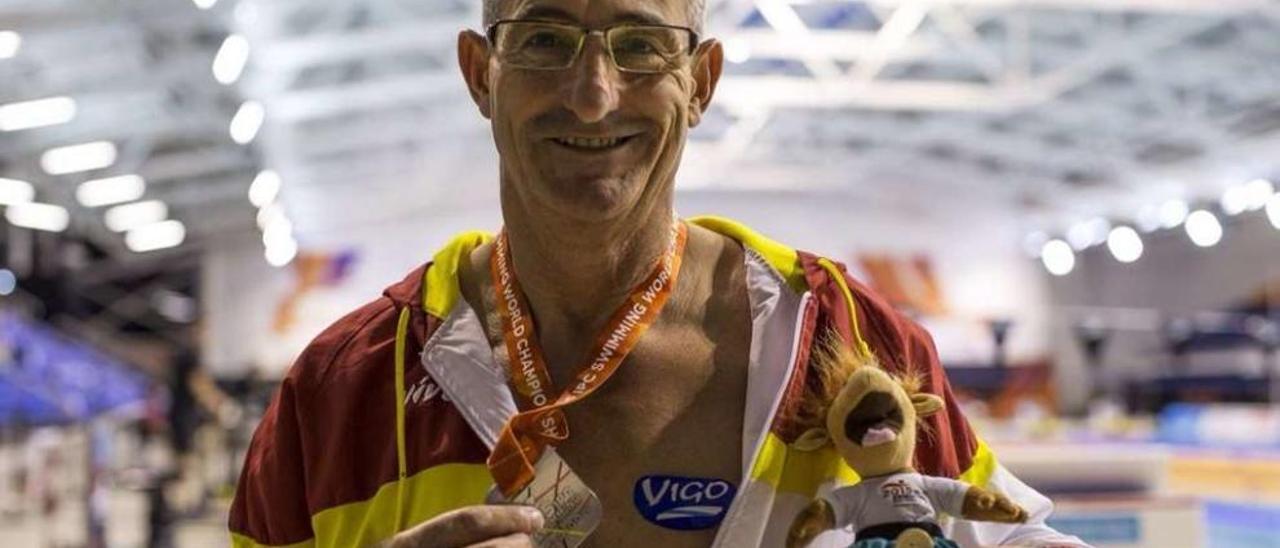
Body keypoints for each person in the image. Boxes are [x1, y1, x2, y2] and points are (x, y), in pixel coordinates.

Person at [229, 0, 1088, 547]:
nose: (594, 93)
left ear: (701, 81)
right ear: (480, 73)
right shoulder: (343, 387)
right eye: (544, 39)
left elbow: (1012, 538)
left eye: (642, 44)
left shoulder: (842, 339)